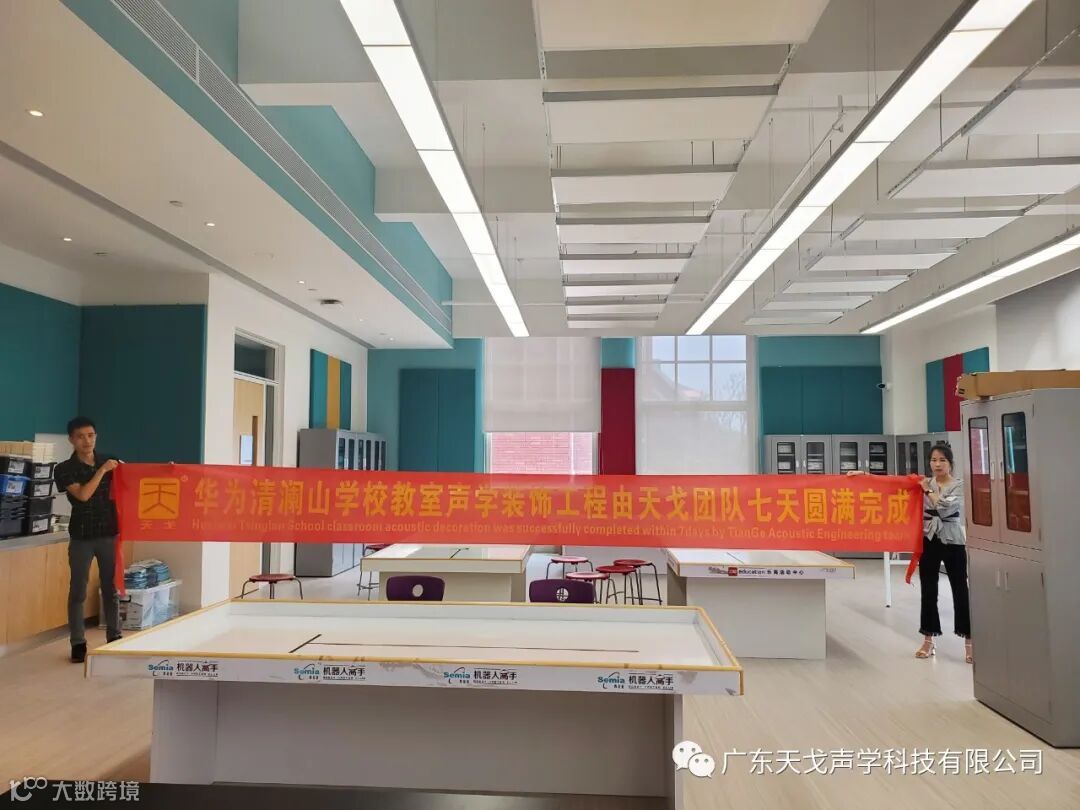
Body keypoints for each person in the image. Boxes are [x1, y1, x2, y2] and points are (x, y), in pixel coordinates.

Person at [53, 417, 122, 663]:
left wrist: (166, 471)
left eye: (91, 435)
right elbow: (83, 495)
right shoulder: (64, 468)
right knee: (78, 591)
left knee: (111, 588)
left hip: (109, 533)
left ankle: (115, 637)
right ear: (71, 440)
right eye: (81, 436)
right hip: (82, 537)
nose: (87, 441)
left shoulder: (110, 460)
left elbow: (136, 480)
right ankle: (78, 642)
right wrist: (102, 471)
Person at [915, 442, 971, 663]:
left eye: (942, 460)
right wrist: (864, 475)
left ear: (950, 463)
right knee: (928, 589)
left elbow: (945, 508)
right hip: (929, 538)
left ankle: (969, 641)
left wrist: (927, 491)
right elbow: (893, 483)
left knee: (960, 589)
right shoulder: (923, 482)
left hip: (953, 540)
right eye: (933, 460)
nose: (937, 464)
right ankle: (928, 639)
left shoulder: (959, 485)